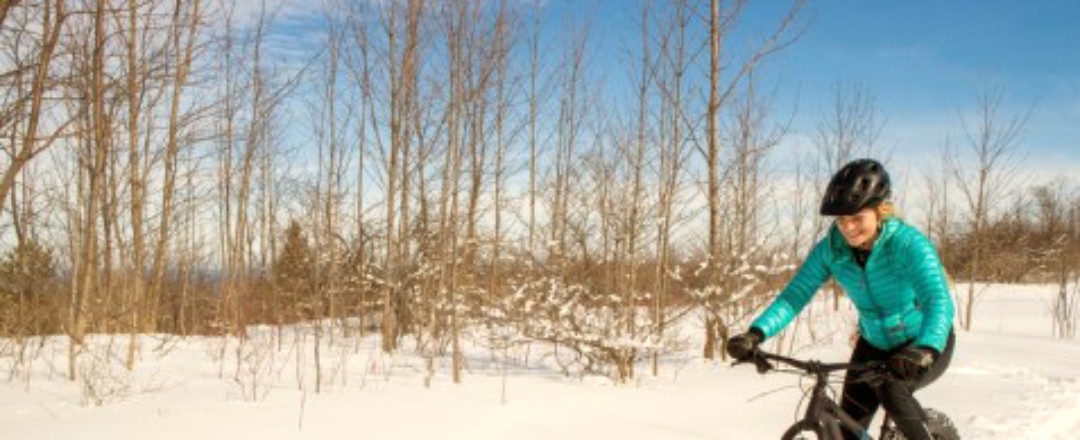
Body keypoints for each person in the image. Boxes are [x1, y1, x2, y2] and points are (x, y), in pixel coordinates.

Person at [726, 158, 955, 440]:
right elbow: (795, 296)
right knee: (847, 431)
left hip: (922, 342)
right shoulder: (831, 251)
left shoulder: (908, 244)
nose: (848, 228)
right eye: (841, 220)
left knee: (893, 392)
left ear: (880, 210)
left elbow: (937, 299)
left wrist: (926, 348)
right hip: (873, 345)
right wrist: (756, 333)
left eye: (857, 218)